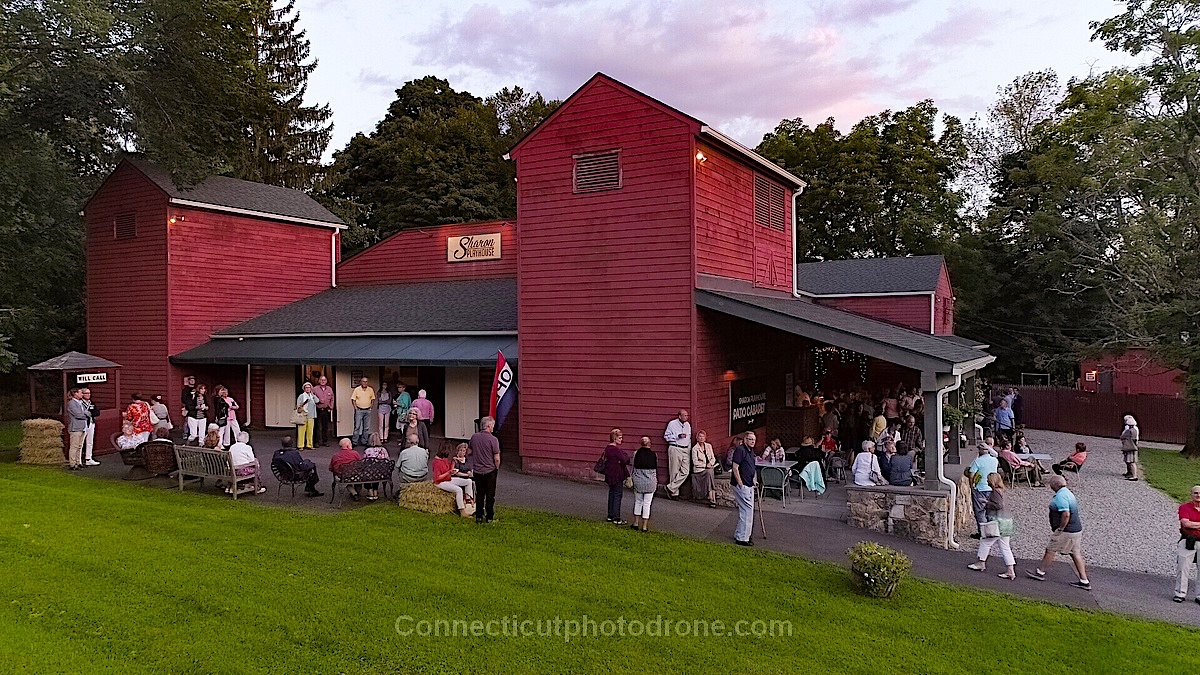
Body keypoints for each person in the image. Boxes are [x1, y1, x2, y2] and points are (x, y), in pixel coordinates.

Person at [1026, 475, 1091, 590]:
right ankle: (1084, 580)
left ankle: (1040, 572)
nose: (1050, 486)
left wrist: (1060, 528)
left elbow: (1066, 514)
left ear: (1055, 485)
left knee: (1051, 550)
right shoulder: (1068, 493)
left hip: (1067, 531)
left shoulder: (1060, 497)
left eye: (1051, 484)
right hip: (1076, 529)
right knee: (1075, 553)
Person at [968, 473, 1016, 579]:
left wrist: (986, 504)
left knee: (985, 542)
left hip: (997, 522)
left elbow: (998, 505)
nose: (987, 482)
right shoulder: (1003, 491)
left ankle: (981, 563)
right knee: (1005, 547)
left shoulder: (995, 492)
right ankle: (1010, 570)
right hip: (1006, 522)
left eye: (988, 480)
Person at [469, 416, 502, 523]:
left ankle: (479, 516)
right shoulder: (493, 440)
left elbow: (469, 451)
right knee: (490, 495)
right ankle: (489, 517)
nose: (493, 428)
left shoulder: (474, 437)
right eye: (492, 426)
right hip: (489, 470)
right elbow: (496, 458)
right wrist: (496, 467)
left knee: (479, 494)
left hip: (477, 470)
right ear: (488, 426)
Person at [965, 444, 999, 539]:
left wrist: (972, 486)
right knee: (990, 511)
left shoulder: (978, 461)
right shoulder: (994, 460)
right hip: (991, 488)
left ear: (980, 450)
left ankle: (983, 533)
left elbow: (971, 475)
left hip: (980, 488)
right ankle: (992, 531)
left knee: (980, 511)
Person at [730, 432, 758, 546]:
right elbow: (735, 467)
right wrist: (740, 483)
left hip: (749, 483)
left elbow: (751, 467)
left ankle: (741, 534)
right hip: (742, 484)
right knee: (747, 510)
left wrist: (754, 480)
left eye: (754, 439)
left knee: (747, 510)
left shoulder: (751, 451)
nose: (752, 441)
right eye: (750, 439)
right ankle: (742, 538)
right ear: (745, 439)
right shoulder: (740, 450)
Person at [1174, 485, 1200, 603]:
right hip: (1188, 540)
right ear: (1191, 494)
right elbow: (1186, 524)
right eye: (1195, 493)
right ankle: (1180, 593)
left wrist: (1193, 524)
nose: (1198, 495)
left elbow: (1190, 524)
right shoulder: (1184, 507)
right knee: (1183, 567)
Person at [433, 443, 475, 515]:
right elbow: (438, 478)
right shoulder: (437, 462)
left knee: (468, 481)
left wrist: (453, 464)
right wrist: (449, 472)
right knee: (458, 490)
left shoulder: (444, 459)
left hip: (448, 479)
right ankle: (462, 511)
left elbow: (450, 468)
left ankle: (468, 500)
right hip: (440, 482)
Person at [602, 428, 630, 525]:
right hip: (617, 475)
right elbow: (625, 460)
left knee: (611, 494)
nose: (621, 440)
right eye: (620, 438)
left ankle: (610, 515)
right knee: (617, 495)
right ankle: (616, 517)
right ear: (614, 438)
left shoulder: (607, 449)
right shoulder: (616, 450)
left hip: (609, 474)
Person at [630, 436, 658, 531]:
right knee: (647, 504)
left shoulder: (636, 454)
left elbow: (633, 467)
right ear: (649, 444)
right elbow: (655, 470)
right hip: (650, 482)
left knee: (638, 502)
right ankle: (645, 526)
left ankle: (636, 523)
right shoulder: (654, 455)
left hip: (638, 481)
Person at [663, 409, 691, 500]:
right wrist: (677, 436)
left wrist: (689, 449)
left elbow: (689, 438)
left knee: (685, 471)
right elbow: (666, 436)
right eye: (684, 415)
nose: (686, 417)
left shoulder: (687, 425)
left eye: (687, 415)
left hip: (685, 449)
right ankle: (674, 493)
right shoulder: (672, 424)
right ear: (679, 416)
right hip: (675, 447)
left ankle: (670, 487)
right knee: (674, 470)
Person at [690, 430, 718, 508]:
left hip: (709, 468)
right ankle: (712, 496)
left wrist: (710, 464)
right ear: (697, 438)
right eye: (700, 436)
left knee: (709, 472)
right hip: (699, 470)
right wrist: (705, 466)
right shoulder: (695, 449)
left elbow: (713, 458)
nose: (701, 438)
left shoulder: (709, 446)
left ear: (705, 438)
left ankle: (711, 497)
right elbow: (695, 462)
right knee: (709, 472)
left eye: (703, 436)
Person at [363, 432, 391, 500]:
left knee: (369, 472)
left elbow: (364, 462)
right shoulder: (383, 450)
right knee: (376, 471)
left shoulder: (367, 450)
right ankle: (375, 491)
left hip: (370, 473)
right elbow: (388, 460)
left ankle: (370, 491)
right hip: (381, 473)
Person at [66, 388, 88, 470]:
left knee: (80, 446)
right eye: (80, 393)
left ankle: (78, 462)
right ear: (75, 393)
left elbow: (87, 412)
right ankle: (72, 463)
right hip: (75, 428)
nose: (82, 394)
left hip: (82, 427)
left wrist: (85, 414)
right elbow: (78, 415)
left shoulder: (80, 403)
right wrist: (85, 415)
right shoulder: (72, 403)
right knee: (74, 446)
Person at [350, 376, 375, 446]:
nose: (365, 383)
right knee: (357, 427)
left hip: (367, 410)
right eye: (363, 381)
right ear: (361, 382)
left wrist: (371, 407)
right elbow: (353, 399)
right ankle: (354, 442)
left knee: (366, 427)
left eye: (366, 381)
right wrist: (356, 408)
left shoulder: (370, 389)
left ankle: (364, 441)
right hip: (359, 410)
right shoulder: (357, 389)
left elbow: (373, 399)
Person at [313, 374, 335, 447]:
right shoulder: (315, 389)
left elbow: (332, 398)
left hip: (326, 410)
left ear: (326, 381)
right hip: (317, 410)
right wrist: (318, 401)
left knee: (325, 427)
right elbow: (311, 398)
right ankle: (316, 442)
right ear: (319, 381)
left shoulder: (329, 389)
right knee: (317, 427)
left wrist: (331, 407)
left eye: (324, 380)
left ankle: (325, 441)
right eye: (321, 380)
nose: (323, 381)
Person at [81, 388, 101, 467]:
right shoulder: (80, 403)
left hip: (91, 423)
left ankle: (88, 458)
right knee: (81, 442)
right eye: (86, 393)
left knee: (90, 442)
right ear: (82, 394)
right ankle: (79, 459)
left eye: (89, 393)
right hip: (83, 424)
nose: (88, 395)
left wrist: (91, 413)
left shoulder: (91, 403)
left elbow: (97, 412)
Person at [295, 382, 318, 450]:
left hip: (311, 416)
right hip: (303, 415)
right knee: (301, 431)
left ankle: (309, 445)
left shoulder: (312, 396)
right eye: (306, 387)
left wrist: (313, 395)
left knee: (310, 431)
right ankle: (300, 445)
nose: (308, 389)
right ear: (304, 389)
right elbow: (298, 405)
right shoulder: (301, 396)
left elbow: (317, 401)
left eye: (309, 387)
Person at [1121, 414, 1140, 481]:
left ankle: (1134, 475)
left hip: (1130, 447)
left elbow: (1123, 436)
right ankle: (1130, 473)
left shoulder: (1129, 430)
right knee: (1130, 461)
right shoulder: (1135, 429)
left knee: (1131, 461)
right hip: (1132, 446)